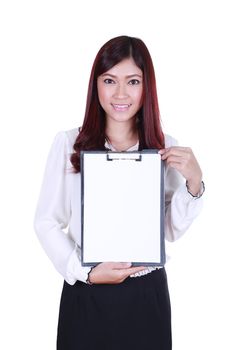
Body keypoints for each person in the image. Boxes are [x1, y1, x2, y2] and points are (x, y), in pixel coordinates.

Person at [34, 35, 205, 350]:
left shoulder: (163, 145)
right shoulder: (69, 143)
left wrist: (195, 183)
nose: (121, 93)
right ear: (95, 85)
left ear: (146, 87)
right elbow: (46, 222)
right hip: (87, 291)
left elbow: (168, 229)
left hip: (145, 294)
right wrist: (84, 272)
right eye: (110, 80)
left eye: (133, 81)